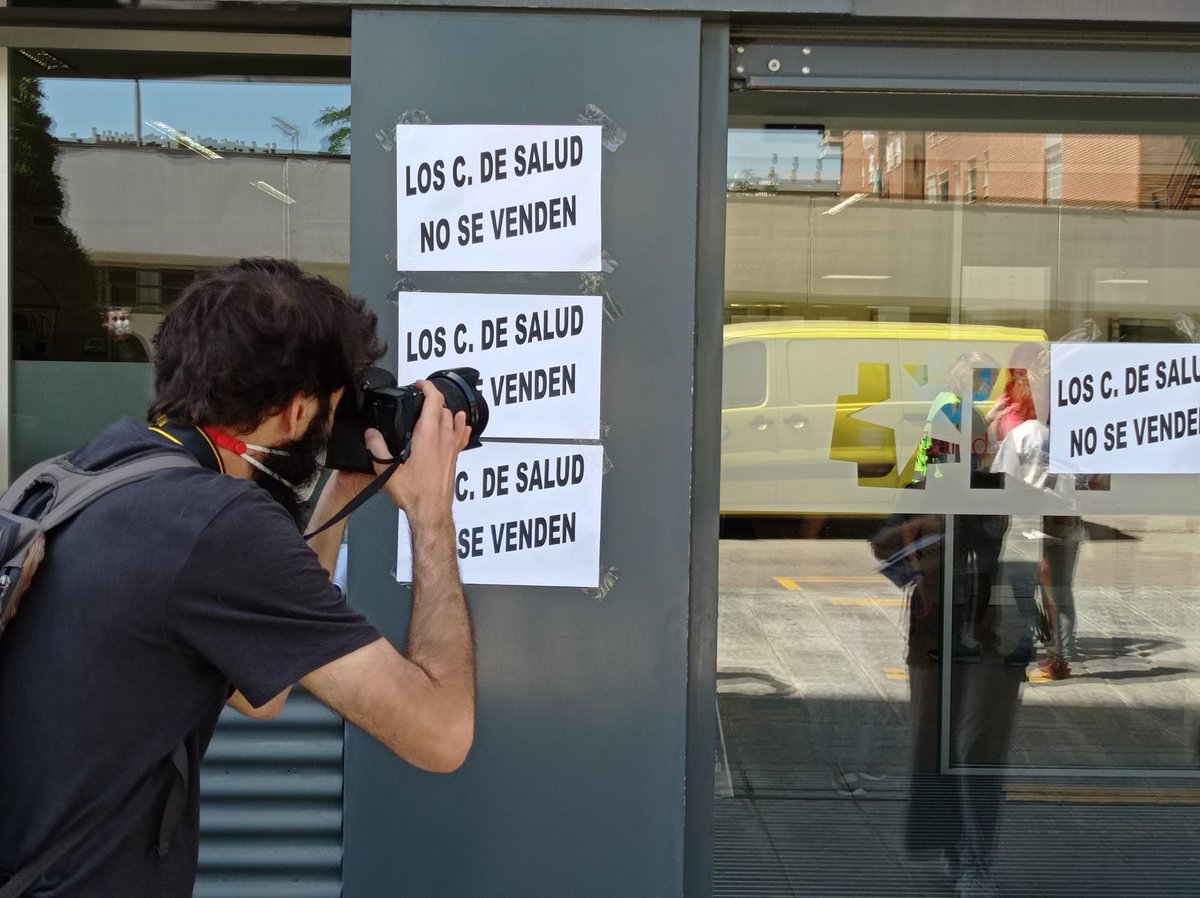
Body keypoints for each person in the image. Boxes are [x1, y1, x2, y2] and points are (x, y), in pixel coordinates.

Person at [0, 259, 476, 896]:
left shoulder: (79, 478)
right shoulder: (217, 523)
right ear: (297, 411)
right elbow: (440, 734)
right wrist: (431, 514)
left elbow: (261, 691)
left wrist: (341, 486)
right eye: (335, 409)